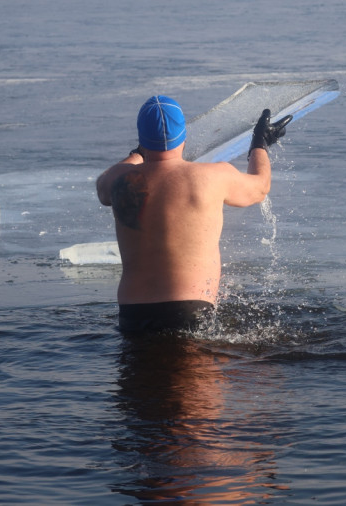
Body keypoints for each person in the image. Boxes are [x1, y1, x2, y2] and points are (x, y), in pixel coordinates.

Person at [96, 95, 291, 334]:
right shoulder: (212, 176)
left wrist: (139, 153)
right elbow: (260, 187)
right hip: (191, 312)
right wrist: (260, 143)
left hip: (133, 315)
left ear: (141, 139)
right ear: (183, 137)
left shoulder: (119, 179)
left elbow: (102, 187)